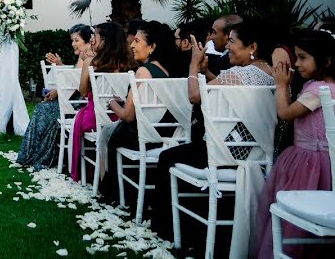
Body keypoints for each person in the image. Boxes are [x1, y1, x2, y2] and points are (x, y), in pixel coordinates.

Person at [151, 18, 275, 244]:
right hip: (255, 154)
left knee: (166, 157)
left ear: (252, 47)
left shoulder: (239, 73)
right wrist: (207, 72)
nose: (227, 46)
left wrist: (194, 64)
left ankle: (165, 228)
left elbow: (195, 97)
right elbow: (221, 87)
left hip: (225, 154)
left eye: (232, 42)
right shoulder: (269, 73)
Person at [253, 29, 335, 259]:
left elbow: (285, 113)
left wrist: (280, 85)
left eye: (303, 57)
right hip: (318, 161)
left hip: (308, 163)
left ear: (326, 61)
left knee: (294, 219)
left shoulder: (320, 90)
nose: (296, 63)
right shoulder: (322, 87)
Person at [99, 20, 175, 204]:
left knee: (107, 132)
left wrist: (112, 103)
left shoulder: (142, 72)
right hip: (162, 134)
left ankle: (109, 191)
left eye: (138, 41)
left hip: (141, 136)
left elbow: (127, 116)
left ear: (152, 47)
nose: (132, 44)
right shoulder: (166, 71)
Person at [17, 24, 92, 169]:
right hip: (72, 102)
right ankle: (32, 153)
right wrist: (60, 65)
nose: (73, 44)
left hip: (79, 106)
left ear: (88, 41)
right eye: (72, 40)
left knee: (42, 109)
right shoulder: (82, 58)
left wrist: (57, 93)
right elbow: (74, 79)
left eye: (76, 40)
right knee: (42, 108)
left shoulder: (88, 58)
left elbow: (78, 85)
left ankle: (36, 154)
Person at [69, 22, 133, 183]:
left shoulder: (91, 62)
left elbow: (83, 92)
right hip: (122, 118)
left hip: (95, 118)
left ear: (104, 40)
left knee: (82, 118)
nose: (91, 40)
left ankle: (92, 171)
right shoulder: (130, 64)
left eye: (95, 36)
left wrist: (85, 65)